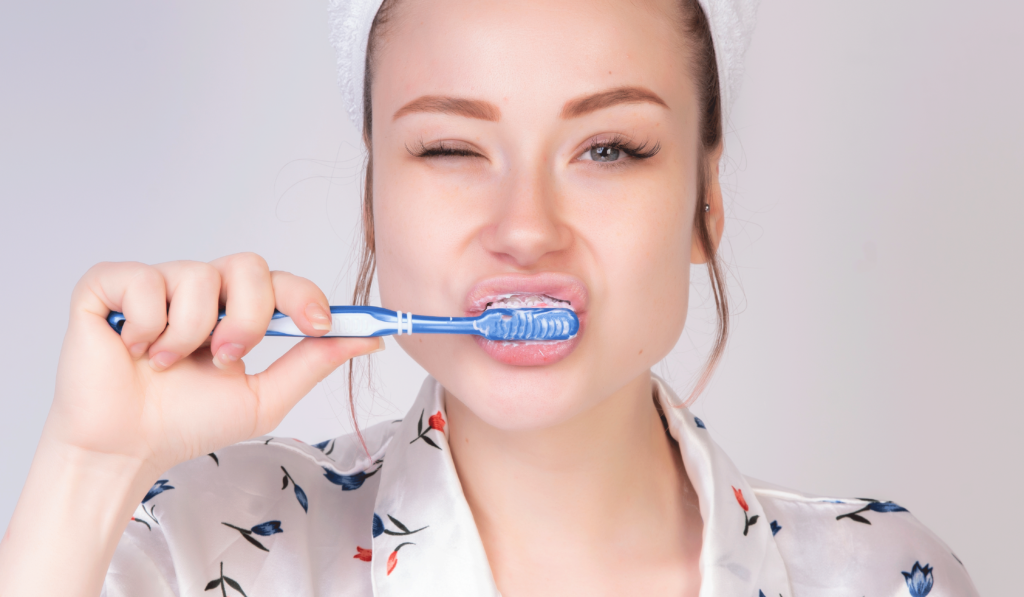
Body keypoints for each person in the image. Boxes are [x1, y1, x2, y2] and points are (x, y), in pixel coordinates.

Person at [0, 0, 979, 595]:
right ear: (373, 202)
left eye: (609, 148)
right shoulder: (201, 547)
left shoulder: (886, 577)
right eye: (449, 149)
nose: (524, 227)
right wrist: (91, 467)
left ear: (704, 202)